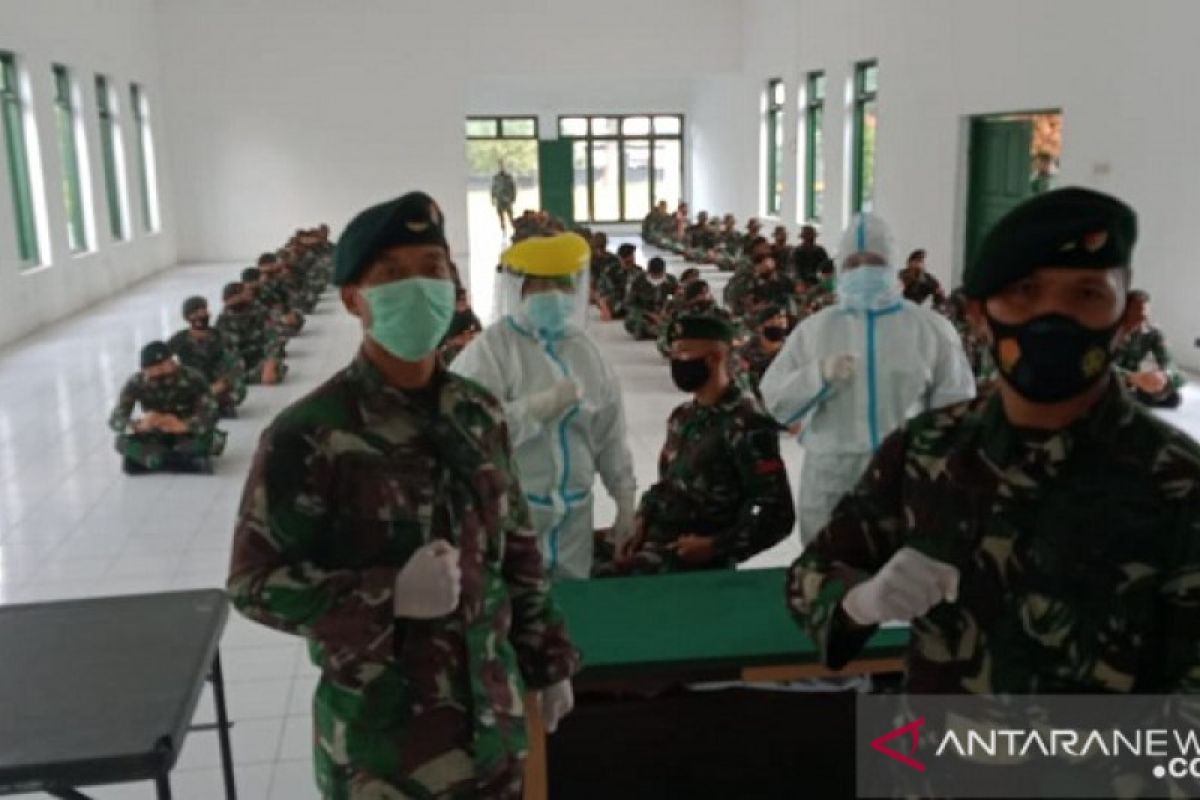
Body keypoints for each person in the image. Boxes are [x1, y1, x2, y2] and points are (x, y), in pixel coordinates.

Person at [228, 191, 579, 799]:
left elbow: (517, 546)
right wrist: (388, 595)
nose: (418, 286)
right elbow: (254, 585)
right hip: (382, 753)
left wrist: (547, 659)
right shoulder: (310, 434)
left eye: (431, 268)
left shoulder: (478, 412)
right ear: (354, 300)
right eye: (391, 274)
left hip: (492, 732)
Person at [786, 186, 1200, 695]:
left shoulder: (1179, 483)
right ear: (980, 316)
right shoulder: (926, 449)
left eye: (1087, 294)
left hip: (1102, 768)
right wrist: (858, 602)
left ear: (1130, 317)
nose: (1053, 318)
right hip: (934, 761)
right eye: (1025, 292)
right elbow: (812, 573)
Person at [759, 212, 976, 543]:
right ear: (839, 268)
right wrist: (817, 376)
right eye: (853, 263)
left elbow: (958, 408)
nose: (863, 271)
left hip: (906, 477)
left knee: (901, 578)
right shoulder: (816, 329)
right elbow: (775, 399)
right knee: (826, 573)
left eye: (873, 261)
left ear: (892, 265)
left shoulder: (931, 329)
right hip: (832, 477)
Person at [451, 232, 637, 579]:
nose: (552, 294)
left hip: (575, 518)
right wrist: (537, 408)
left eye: (561, 285)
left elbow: (610, 433)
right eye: (540, 285)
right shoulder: (490, 353)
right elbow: (466, 431)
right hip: (512, 519)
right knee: (517, 611)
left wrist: (625, 498)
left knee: (570, 613)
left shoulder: (587, 353)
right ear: (518, 290)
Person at [597, 314, 794, 576]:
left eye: (683, 353)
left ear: (715, 358)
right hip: (656, 532)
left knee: (599, 576)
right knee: (569, 552)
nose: (676, 362)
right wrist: (640, 518)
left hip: (689, 551)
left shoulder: (747, 424)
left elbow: (777, 514)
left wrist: (714, 546)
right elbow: (667, 483)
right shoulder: (684, 417)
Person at [109, 341, 224, 474]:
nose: (161, 371)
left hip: (187, 433)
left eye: (165, 366)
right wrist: (138, 426)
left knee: (212, 440)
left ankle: (152, 461)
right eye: (155, 369)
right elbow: (115, 418)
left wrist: (184, 425)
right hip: (155, 433)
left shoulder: (193, 378)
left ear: (173, 362)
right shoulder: (136, 382)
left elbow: (211, 413)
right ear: (145, 370)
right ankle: (185, 463)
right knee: (121, 442)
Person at [168, 296, 246, 417]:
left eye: (204, 310)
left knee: (238, 391)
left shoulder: (222, 336)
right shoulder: (179, 339)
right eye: (196, 312)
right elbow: (164, 361)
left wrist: (224, 382)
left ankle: (204, 405)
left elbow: (237, 364)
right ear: (187, 317)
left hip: (218, 385)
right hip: (192, 385)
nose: (202, 315)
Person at [1114, 289, 1185, 408]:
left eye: (1145, 311)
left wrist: (1163, 376)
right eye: (1135, 311)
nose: (1142, 315)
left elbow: (1169, 362)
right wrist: (1131, 377)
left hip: (1136, 383)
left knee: (1174, 398)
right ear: (1124, 310)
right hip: (1110, 380)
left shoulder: (1152, 333)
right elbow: (1101, 368)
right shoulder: (1109, 330)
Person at [216, 280, 287, 385]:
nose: (249, 294)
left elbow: (272, 337)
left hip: (258, 360)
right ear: (234, 297)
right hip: (238, 366)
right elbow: (226, 353)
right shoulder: (222, 322)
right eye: (245, 292)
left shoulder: (257, 312)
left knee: (276, 370)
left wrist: (270, 362)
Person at [736, 305, 789, 393]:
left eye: (782, 318)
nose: (779, 322)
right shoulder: (745, 353)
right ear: (760, 327)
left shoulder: (791, 348)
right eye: (772, 320)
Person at [624, 256, 678, 340]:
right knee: (631, 320)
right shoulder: (638, 281)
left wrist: (668, 312)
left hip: (664, 315)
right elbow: (630, 304)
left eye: (659, 275)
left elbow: (677, 299)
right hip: (645, 315)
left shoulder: (671, 280)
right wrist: (650, 315)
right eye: (654, 275)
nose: (657, 278)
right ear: (648, 272)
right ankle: (654, 331)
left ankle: (659, 331)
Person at [597, 243, 643, 321]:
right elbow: (601, 293)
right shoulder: (610, 271)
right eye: (626, 260)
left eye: (632, 257)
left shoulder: (638, 271)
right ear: (620, 258)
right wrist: (604, 309)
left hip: (631, 307)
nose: (630, 262)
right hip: (613, 306)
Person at [438, 287, 483, 365]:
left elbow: (479, 328)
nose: (465, 302)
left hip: (464, 345)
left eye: (465, 299)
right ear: (454, 302)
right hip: (450, 347)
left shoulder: (467, 312)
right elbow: (442, 340)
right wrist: (453, 341)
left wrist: (469, 333)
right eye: (462, 299)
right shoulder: (447, 315)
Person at [491, 161, 517, 235]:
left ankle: (515, 230)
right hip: (499, 200)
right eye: (500, 166)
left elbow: (513, 188)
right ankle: (503, 232)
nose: (501, 167)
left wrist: (513, 198)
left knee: (510, 217)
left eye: (502, 165)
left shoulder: (509, 177)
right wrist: (492, 198)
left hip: (507, 200)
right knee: (501, 218)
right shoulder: (496, 178)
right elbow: (493, 188)